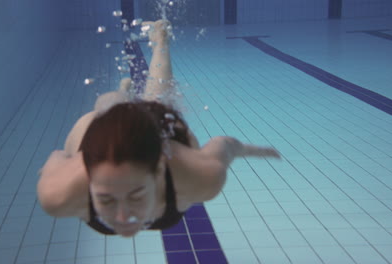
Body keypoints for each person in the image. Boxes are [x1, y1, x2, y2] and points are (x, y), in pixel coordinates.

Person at [37, 20, 280, 237]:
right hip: (93, 137)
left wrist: (254, 151)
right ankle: (122, 94)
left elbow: (225, 145)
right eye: (106, 199)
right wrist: (61, 165)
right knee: (106, 109)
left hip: (163, 135)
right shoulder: (58, 195)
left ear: (160, 168)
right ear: (88, 178)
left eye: (136, 195)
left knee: (160, 103)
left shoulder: (201, 175)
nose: (123, 217)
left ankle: (161, 39)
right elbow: (57, 157)